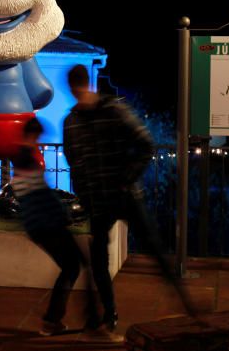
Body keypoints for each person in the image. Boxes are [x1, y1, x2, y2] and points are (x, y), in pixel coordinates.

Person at [63, 64, 177, 335]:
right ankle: (108, 314)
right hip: (99, 200)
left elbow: (145, 144)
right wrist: (84, 195)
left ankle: (179, 300)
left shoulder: (112, 111)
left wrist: (125, 180)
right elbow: (74, 163)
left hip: (124, 196)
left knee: (151, 247)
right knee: (99, 261)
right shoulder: (72, 121)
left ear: (82, 86)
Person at [11, 117, 99, 336]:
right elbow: (40, 195)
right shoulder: (25, 159)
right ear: (32, 136)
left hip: (39, 224)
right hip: (46, 223)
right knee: (75, 266)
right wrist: (64, 214)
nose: (39, 144)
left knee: (73, 266)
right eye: (38, 139)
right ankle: (70, 320)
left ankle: (55, 319)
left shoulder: (21, 159)